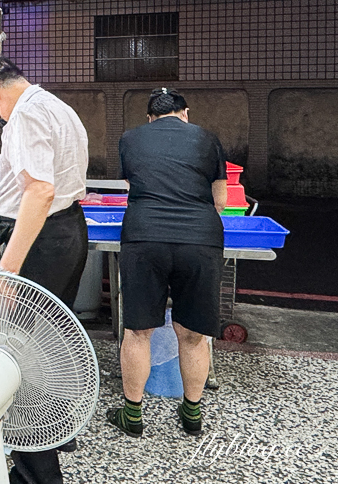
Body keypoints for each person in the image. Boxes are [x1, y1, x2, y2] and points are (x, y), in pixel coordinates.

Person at [0, 55, 89, 484]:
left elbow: (39, 191)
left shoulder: (23, 117)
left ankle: (36, 472)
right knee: (52, 343)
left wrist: (6, 269)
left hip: (40, 239)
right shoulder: (57, 106)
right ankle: (56, 434)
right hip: (67, 229)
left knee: (18, 355)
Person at [108, 88, 228, 438]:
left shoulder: (130, 138)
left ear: (150, 118)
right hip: (200, 240)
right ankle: (192, 413)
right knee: (193, 334)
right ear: (185, 113)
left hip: (145, 237)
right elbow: (219, 199)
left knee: (138, 331)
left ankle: (132, 415)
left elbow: (135, 184)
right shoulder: (207, 138)